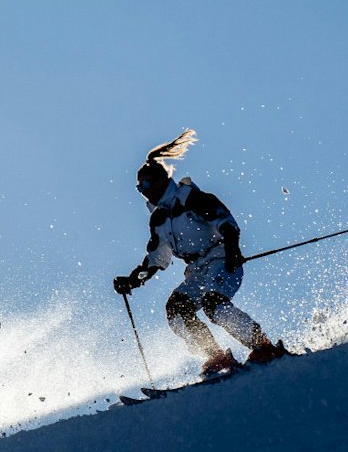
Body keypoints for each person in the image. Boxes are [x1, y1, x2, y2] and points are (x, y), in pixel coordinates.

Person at [113, 129, 288, 377]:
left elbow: (226, 223)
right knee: (177, 308)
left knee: (213, 303)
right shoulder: (159, 219)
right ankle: (216, 358)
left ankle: (263, 347)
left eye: (147, 183)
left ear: (162, 179)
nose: (143, 189)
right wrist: (133, 280)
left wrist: (232, 250)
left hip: (221, 259)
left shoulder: (192, 198)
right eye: (139, 186)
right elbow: (156, 259)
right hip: (195, 270)